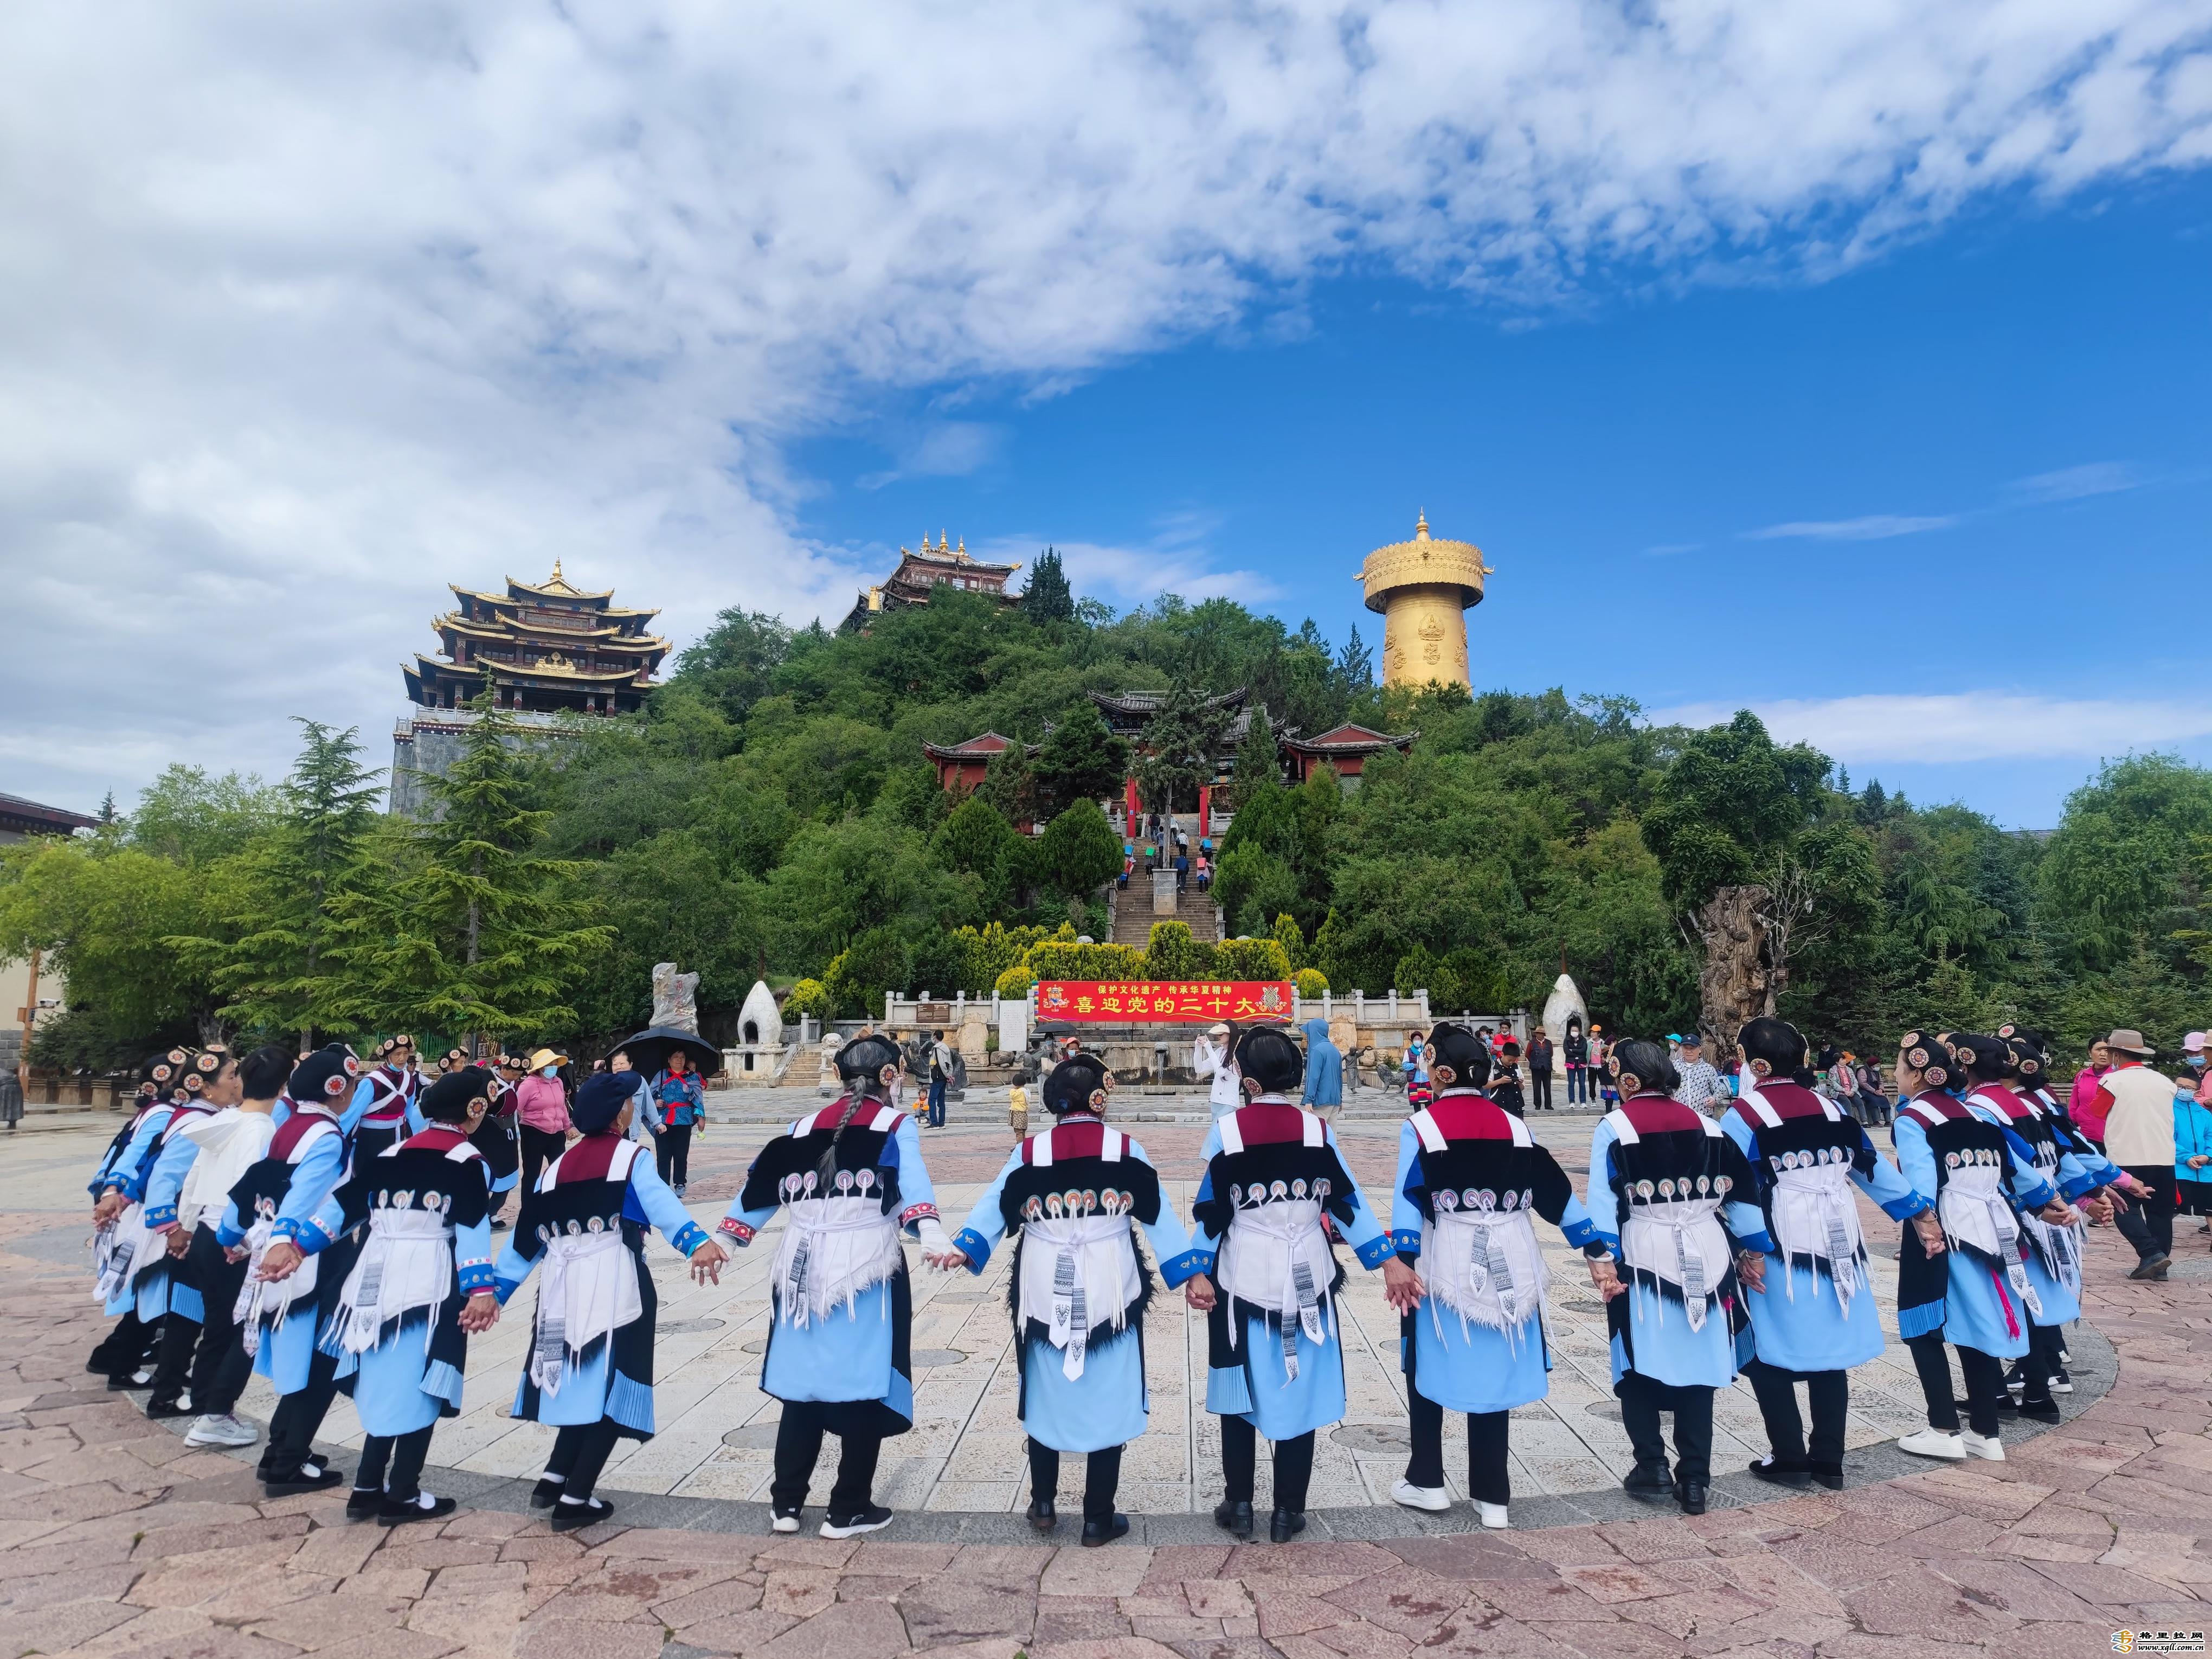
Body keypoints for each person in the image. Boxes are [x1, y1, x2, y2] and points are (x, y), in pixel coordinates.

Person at [933, 1053, 1204, 1544]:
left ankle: (1043, 1502)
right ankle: (1098, 1517)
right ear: (1100, 1098)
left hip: (1044, 1280)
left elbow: (996, 1203)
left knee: (1044, 1385)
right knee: (1111, 1389)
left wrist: (965, 1247)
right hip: (1109, 1285)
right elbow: (1159, 1215)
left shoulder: (1030, 1152)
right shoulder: (1126, 1148)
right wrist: (1192, 1275)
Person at [1181, 1026, 1415, 1543]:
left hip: (1241, 1275)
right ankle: (1288, 1510)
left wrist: (1196, 1271)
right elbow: (1348, 1204)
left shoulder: (1228, 1131)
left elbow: (1211, 1211)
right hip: (1309, 1271)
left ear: (1246, 1080)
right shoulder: (1317, 1131)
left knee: (1238, 1385)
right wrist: (1388, 1262)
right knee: (1301, 1385)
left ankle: (1240, 1504)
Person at [716, 1033, 949, 1538]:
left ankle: (786, 1505)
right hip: (866, 1270)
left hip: (800, 1267)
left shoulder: (800, 1127)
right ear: (890, 1078)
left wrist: (724, 1241)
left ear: (841, 1077)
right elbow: (913, 1183)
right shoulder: (895, 1125)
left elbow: (759, 1190)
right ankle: (848, 1509)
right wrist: (931, 1233)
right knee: (864, 1386)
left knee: (801, 1390)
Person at [1386, 1026, 1606, 1528]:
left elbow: (1407, 1200)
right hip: (1510, 1252)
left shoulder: (1422, 1126)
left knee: (1427, 1360)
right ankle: (1493, 1495)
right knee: (1495, 1363)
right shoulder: (1515, 1127)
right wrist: (1595, 1250)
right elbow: (1556, 1193)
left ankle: (1427, 1479)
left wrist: (1401, 1262)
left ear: (1443, 1073)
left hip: (1445, 1254)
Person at [1720, 1018, 1939, 1489]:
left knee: (1769, 1344)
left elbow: (1738, 1187)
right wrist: (1919, 1213)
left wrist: (1749, 1248)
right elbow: (1871, 1167)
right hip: (1837, 1235)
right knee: (1831, 1343)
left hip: (1781, 1239)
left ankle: (1790, 1457)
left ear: (1753, 1064)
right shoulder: (1832, 1108)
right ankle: (1828, 1458)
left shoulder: (1744, 1115)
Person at [293, 1066, 505, 1523]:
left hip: (372, 1274)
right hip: (427, 1278)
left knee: (381, 1376)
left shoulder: (391, 1152)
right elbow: (472, 1226)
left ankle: (367, 1486)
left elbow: (343, 1209)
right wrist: (481, 1289)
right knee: (418, 1381)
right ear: (474, 1111)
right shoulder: (469, 1161)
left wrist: (295, 1246)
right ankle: (403, 1492)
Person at [1584, 1038, 1757, 1515]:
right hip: (1707, 1248)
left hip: (1645, 1250)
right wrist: (1753, 1249)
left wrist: (1602, 1257)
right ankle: (1695, 1478)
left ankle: (1652, 1466)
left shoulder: (1615, 1127)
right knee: (1700, 1364)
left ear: (1627, 1080)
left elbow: (1603, 1198)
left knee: (1637, 1358)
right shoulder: (1709, 1126)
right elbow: (1744, 1194)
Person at [1888, 1032, 2067, 1463]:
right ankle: (1986, 1432)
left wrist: (1924, 1220)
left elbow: (1921, 1177)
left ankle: (1943, 1428)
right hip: (1995, 1229)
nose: (1895, 1074)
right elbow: (2018, 1168)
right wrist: (2050, 1201)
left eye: (1899, 1067)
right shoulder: (1978, 1114)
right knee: (1979, 1324)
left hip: (1945, 1228)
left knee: (1922, 1324)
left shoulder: (1913, 1118)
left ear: (1917, 1075)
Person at [224, 1045, 365, 1494]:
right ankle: (287, 1461)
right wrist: (284, 1241)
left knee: (301, 1356)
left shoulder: (288, 1126)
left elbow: (253, 1184)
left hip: (282, 1252)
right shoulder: (325, 1136)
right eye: (352, 1084)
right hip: (313, 1259)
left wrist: (232, 1233)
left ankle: (283, 1450)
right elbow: (303, 1194)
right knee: (320, 1360)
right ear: (337, 1089)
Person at [1961, 1034, 2127, 1411]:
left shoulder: (1981, 1107)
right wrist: (2085, 1196)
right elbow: (2063, 1155)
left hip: (2016, 1212)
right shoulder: (2027, 1104)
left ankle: (2026, 1388)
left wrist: (2053, 1200)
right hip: (2043, 1210)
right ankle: (2040, 1380)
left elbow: (2012, 1166)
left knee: (2015, 1299)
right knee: (2032, 1297)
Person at [169, 1044, 290, 1449]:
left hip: (207, 1232)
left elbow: (195, 1176)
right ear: (283, 1086)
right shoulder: (262, 1130)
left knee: (219, 1326)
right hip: (232, 1240)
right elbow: (247, 1192)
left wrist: (186, 1226)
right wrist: (242, 1240)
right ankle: (216, 1413)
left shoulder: (226, 1120)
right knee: (244, 1329)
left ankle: (204, 1406)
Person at [130, 1048, 238, 1421]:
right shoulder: (195, 1122)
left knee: (189, 1314)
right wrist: (172, 1228)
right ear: (206, 1088)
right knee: (188, 1314)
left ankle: (169, 1390)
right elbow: (165, 1176)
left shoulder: (209, 1117)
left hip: (192, 1228)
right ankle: (170, 1394)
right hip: (187, 1231)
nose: (237, 1083)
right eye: (231, 1076)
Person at [85, 1052, 184, 1389]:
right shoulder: (163, 1113)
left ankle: (118, 1355)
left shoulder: (160, 1110)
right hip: (145, 1207)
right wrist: (115, 1192)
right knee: (151, 1285)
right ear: (167, 1079)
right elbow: (134, 1156)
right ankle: (118, 1359)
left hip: (140, 1203)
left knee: (151, 1287)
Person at [2091, 1029, 2179, 1279]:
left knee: (2123, 1207)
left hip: (2126, 1155)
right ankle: (2159, 1268)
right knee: (2160, 1213)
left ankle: (2151, 1253)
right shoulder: (2165, 1082)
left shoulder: (2113, 1082)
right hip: (2163, 1155)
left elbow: (2097, 1111)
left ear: (2117, 1055)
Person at [347, 1037, 421, 1166]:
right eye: (397, 1054)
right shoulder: (372, 1082)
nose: (402, 1058)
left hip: (398, 1135)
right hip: (371, 1139)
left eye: (405, 1053)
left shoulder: (410, 1080)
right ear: (388, 1057)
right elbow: (352, 1113)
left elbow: (408, 1112)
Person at [515, 1048, 572, 1197]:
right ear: (540, 1067)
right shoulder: (528, 1085)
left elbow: (562, 1106)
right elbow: (516, 1109)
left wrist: (567, 1127)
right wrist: (516, 1131)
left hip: (557, 1134)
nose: (553, 1067)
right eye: (550, 1064)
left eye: (555, 1064)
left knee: (559, 1171)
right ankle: (529, 1206)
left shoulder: (558, 1082)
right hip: (533, 1133)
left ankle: (555, 1203)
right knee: (532, 1173)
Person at [649, 1051, 705, 1195]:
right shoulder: (661, 1075)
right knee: (663, 1154)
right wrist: (656, 1102)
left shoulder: (692, 1077)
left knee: (681, 1154)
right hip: (663, 1120)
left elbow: (698, 1098)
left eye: (682, 1058)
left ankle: (680, 1183)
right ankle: (663, 1184)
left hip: (684, 1119)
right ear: (669, 1059)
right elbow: (648, 1096)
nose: (679, 1060)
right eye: (676, 1057)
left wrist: (701, 1117)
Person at [2176, 1067, 2212, 1238]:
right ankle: (2156, 1241)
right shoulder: (2167, 1110)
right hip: (2179, 1170)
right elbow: (2166, 1139)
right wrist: (2186, 1157)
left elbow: (2210, 1137)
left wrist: (2208, 1156)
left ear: (2197, 1092)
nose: (2183, 1091)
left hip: (2206, 1171)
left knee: (2210, 1209)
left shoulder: (2205, 1114)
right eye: (2179, 1087)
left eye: (2188, 1088)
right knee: (2172, 1208)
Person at [2070, 1039, 2114, 1148]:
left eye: (2107, 1051)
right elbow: (2074, 1105)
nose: (2103, 1054)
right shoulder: (2082, 1075)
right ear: (2090, 1052)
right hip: (2085, 1136)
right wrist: (2070, 1127)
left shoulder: (2117, 1076)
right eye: (2099, 1050)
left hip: (2111, 1139)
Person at [1193, 1022, 1241, 1119]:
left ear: (1230, 1035)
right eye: (1218, 1034)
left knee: (1223, 1128)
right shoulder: (1219, 1052)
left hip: (1229, 1103)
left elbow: (1221, 1072)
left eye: (1221, 1034)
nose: (1219, 1036)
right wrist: (1198, 1047)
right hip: (1215, 1101)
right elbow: (1199, 1068)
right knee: (1215, 1128)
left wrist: (1209, 1049)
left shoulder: (1236, 1055)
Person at [1674, 1033, 1727, 1116]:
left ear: (1700, 1049)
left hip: (1703, 1115)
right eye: (1686, 1048)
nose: (1689, 1051)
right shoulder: (1674, 1066)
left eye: (1692, 1048)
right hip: (1680, 1114)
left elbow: (1720, 1091)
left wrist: (1714, 1099)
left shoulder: (1708, 1069)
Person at [1300, 1017, 1342, 1115]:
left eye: (1308, 1033)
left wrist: (1309, 1100)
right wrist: (1340, 1099)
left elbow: (1314, 1077)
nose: (1307, 1037)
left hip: (1320, 1101)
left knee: (1317, 1126)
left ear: (1315, 1032)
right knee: (1331, 1126)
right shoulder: (1335, 1050)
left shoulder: (1317, 1051)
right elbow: (1339, 1078)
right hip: (1335, 1100)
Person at [1488, 1039, 1527, 1116]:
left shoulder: (1516, 1067)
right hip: (1498, 1105)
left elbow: (1522, 1088)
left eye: (1514, 1060)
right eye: (1509, 1060)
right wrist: (1500, 1081)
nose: (1511, 1062)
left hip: (1516, 1105)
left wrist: (1520, 1083)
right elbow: (1486, 1085)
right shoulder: (1494, 1065)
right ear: (1502, 1054)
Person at [1525, 1026, 1554, 1112]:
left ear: (1543, 1034)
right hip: (1536, 1068)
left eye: (1541, 1033)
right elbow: (1527, 1054)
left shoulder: (1549, 1043)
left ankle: (1548, 1105)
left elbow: (1551, 1054)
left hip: (1547, 1067)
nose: (1539, 1035)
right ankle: (1537, 1105)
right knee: (1536, 1087)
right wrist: (1534, 1061)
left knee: (1547, 1087)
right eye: (1538, 1033)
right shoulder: (1532, 1043)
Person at [928, 1030, 953, 1128]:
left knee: (932, 1100)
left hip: (937, 1077)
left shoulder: (937, 1048)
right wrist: (949, 1075)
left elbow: (941, 1064)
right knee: (941, 1101)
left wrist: (947, 1075)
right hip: (943, 1079)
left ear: (935, 1037)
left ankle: (934, 1123)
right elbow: (950, 1063)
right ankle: (942, 1123)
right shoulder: (946, 1048)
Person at [1562, 1015, 1589, 1105]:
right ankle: (1572, 1102)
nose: (1574, 1032)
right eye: (1573, 1030)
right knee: (1571, 1084)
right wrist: (1577, 1052)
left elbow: (1583, 1050)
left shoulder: (1583, 1040)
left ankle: (1583, 1102)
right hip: (1571, 1063)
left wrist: (1573, 1050)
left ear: (1579, 1031)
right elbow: (1566, 1051)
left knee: (1582, 1083)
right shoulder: (1567, 1040)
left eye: (1576, 1031)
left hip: (1581, 1064)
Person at [1404, 1031, 1431, 1112]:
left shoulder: (1427, 1051)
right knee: (1416, 1104)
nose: (1417, 1040)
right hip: (1414, 1081)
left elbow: (1431, 1063)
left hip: (1426, 1080)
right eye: (1415, 1039)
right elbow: (1405, 1065)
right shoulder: (1408, 1052)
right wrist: (1415, 1066)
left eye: (1419, 1039)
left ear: (1422, 1040)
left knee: (1429, 1103)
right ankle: (1417, 1118)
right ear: (1413, 1041)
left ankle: (1428, 1118)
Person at [1588, 1026, 1614, 1106]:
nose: (1592, 1034)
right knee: (1592, 1084)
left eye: (1594, 1033)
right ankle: (1593, 1099)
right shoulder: (1588, 1043)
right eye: (1591, 1032)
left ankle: (1607, 1099)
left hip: (1602, 1066)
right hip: (1591, 1066)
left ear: (1598, 1034)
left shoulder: (1604, 1043)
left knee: (1604, 1083)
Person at [1007, 1077, 1030, 1141]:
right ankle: (1023, 1144)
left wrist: (1013, 1089)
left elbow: (1012, 1095)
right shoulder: (1026, 1091)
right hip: (1024, 1114)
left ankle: (1019, 1145)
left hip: (1018, 1115)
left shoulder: (1019, 1092)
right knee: (1022, 1132)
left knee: (1019, 1132)